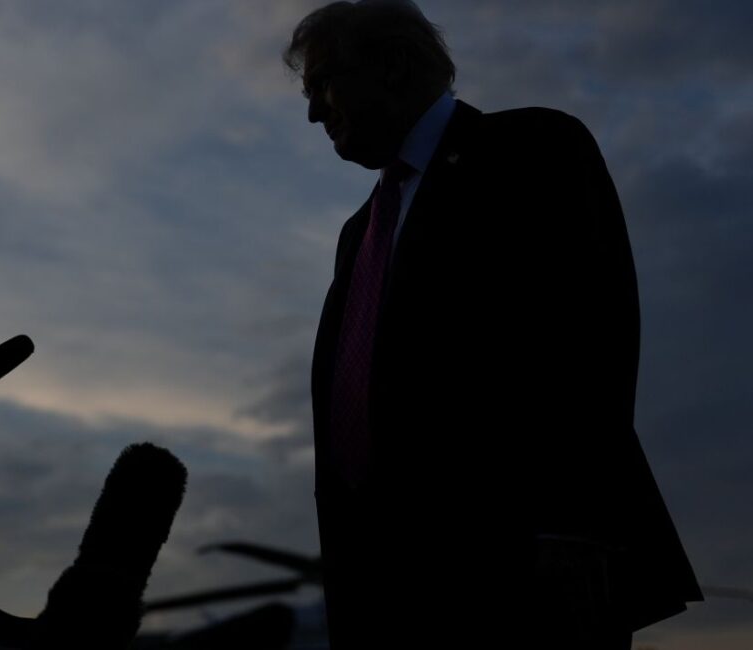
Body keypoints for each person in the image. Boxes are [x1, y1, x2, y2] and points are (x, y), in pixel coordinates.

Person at [285, 2, 702, 647]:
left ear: (392, 65)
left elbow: (591, 336)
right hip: (383, 591)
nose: (313, 111)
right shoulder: (358, 232)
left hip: (522, 577)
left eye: (322, 84)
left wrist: (574, 523)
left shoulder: (530, 148)